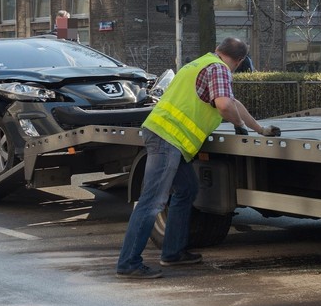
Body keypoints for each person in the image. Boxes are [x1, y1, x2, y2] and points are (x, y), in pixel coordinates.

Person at [115, 37, 280, 279]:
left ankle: (172, 253)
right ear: (240, 60)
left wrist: (258, 129)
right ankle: (128, 263)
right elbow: (224, 105)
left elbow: (233, 103)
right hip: (168, 138)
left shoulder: (199, 64)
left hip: (167, 136)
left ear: (218, 50)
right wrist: (239, 125)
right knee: (152, 203)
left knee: (187, 190)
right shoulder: (220, 69)